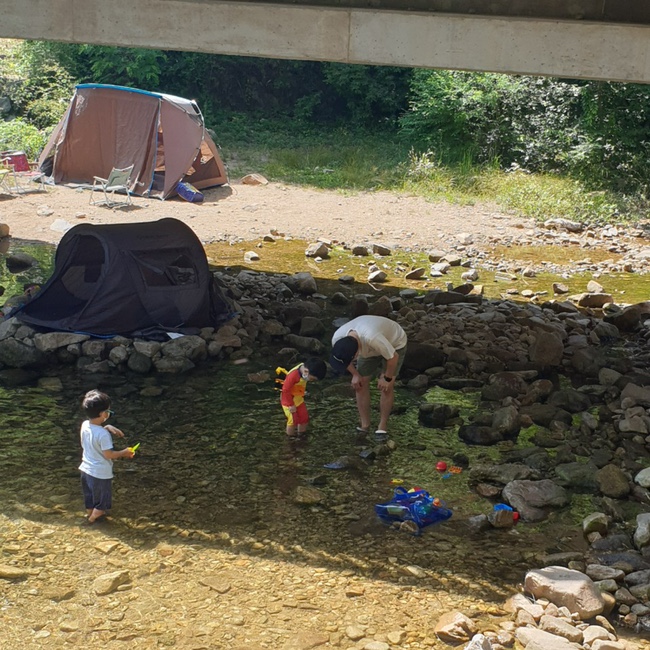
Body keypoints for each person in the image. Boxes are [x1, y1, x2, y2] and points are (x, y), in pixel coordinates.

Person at [330, 315, 408, 442]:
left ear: (356, 354)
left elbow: (393, 357)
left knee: (386, 387)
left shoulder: (372, 338)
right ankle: (364, 425)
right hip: (368, 346)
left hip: (394, 343)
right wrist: (355, 374)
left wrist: (387, 378)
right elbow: (343, 360)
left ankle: (382, 426)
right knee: (360, 384)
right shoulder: (338, 339)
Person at [78, 389, 134, 524]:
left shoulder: (85, 425)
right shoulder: (103, 435)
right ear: (103, 414)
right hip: (100, 474)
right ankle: (91, 521)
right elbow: (108, 454)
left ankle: (90, 515)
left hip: (85, 470)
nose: (109, 413)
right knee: (101, 505)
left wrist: (107, 426)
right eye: (108, 411)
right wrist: (124, 452)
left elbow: (95, 432)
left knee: (90, 498)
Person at [278, 358, 327, 436]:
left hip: (298, 398)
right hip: (288, 401)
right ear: (306, 371)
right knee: (293, 420)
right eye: (312, 379)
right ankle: (290, 439)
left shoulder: (304, 370)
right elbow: (285, 390)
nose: (311, 381)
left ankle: (301, 435)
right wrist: (290, 404)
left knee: (304, 418)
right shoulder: (293, 375)